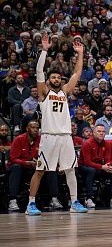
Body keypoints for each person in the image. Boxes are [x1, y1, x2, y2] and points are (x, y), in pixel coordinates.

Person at [26, 34, 87, 215]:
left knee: (70, 170)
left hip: (65, 136)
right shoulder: (43, 92)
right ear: (48, 80)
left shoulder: (65, 92)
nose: (56, 79)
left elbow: (77, 73)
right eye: (53, 77)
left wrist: (80, 54)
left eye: (58, 77)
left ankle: (74, 202)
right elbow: (38, 72)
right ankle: (30, 204)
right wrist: (44, 50)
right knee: (40, 170)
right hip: (49, 136)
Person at [8, 121, 61, 212]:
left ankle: (54, 199)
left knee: (51, 168)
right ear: (27, 129)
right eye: (33, 127)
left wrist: (40, 161)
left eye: (37, 128)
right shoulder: (19, 139)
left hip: (36, 167)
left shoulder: (42, 140)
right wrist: (26, 162)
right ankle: (13, 200)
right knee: (16, 167)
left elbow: (47, 156)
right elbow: (13, 158)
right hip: (22, 167)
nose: (36, 130)